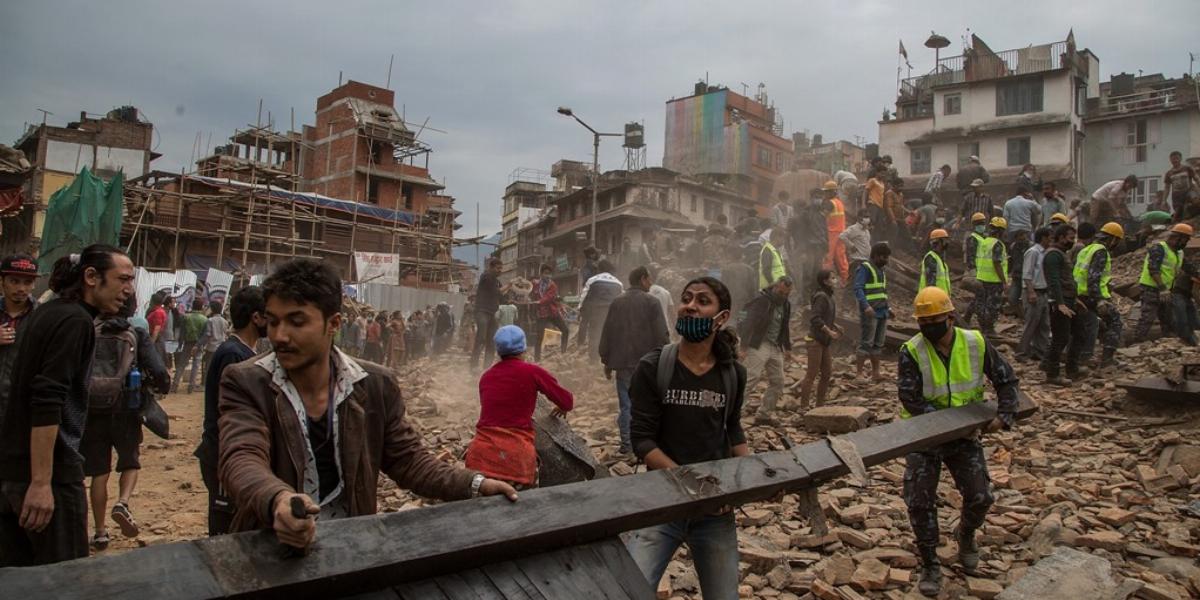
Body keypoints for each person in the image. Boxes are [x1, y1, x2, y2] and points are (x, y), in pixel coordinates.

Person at [217, 259, 518, 547]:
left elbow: (408, 460)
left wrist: (474, 485)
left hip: (352, 544)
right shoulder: (246, 382)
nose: (279, 336)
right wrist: (278, 500)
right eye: (273, 322)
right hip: (270, 544)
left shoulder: (374, 384)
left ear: (333, 323)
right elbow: (241, 457)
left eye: (296, 321)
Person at [0, 244, 134, 566]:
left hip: (14, 473)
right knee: (65, 580)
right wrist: (42, 483)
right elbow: (47, 399)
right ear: (91, 276)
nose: (128, 290)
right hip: (50, 478)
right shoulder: (74, 321)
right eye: (123, 279)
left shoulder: (48, 311)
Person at [626, 277, 748, 599]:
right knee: (628, 591)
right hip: (659, 505)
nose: (690, 305)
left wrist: (747, 479)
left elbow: (732, 427)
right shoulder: (654, 367)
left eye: (702, 301)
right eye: (686, 298)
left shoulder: (732, 373)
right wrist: (688, 483)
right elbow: (641, 439)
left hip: (714, 512)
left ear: (721, 318)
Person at [899, 287, 1018, 597]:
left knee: (981, 496)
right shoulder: (911, 350)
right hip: (923, 435)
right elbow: (910, 399)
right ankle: (929, 563)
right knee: (920, 501)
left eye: (934, 320)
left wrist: (1004, 414)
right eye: (922, 323)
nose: (927, 328)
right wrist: (946, 424)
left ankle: (965, 534)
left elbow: (1006, 378)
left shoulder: (975, 342)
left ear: (950, 318)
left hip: (964, 436)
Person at [82, 295, 170, 550]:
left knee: (99, 471)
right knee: (130, 460)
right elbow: (158, 370)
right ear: (132, 309)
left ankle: (99, 532)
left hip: (93, 409)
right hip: (127, 408)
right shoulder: (136, 332)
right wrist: (158, 388)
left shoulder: (89, 329)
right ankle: (123, 502)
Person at [194, 285, 266, 536]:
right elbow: (229, 414)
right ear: (256, 317)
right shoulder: (234, 355)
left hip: (229, 455)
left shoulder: (241, 352)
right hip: (224, 455)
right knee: (225, 530)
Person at [466, 325, 573, 488]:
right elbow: (567, 401)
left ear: (498, 351)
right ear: (523, 349)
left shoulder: (486, 377)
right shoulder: (532, 372)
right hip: (516, 459)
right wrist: (563, 407)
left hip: (479, 458)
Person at [599, 266, 670, 454]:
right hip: (648, 363)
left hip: (622, 364)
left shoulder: (617, 302)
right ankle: (649, 443)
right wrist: (665, 359)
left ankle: (627, 445)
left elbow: (608, 332)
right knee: (650, 402)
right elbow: (662, 335)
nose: (651, 282)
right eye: (649, 279)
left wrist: (606, 360)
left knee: (626, 404)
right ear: (643, 279)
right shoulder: (652, 302)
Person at [739, 275, 793, 425]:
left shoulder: (786, 304)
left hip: (775, 346)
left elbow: (785, 326)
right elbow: (748, 323)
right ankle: (734, 413)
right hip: (759, 343)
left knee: (778, 381)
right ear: (775, 287)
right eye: (781, 292)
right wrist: (743, 347)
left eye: (787, 294)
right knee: (751, 378)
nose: (783, 296)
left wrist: (787, 347)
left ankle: (764, 414)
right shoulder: (762, 301)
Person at [1073, 222, 1125, 369]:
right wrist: (1100, 300)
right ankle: (1107, 359)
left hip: (1081, 294)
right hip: (1092, 296)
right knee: (1115, 321)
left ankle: (1085, 356)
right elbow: (1093, 277)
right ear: (1113, 239)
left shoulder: (1087, 249)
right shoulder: (1101, 251)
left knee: (1092, 324)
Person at [1133, 223, 1194, 343]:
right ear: (1176, 237)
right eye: (1185, 240)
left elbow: (1189, 268)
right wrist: (1162, 288)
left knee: (1168, 317)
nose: (1185, 243)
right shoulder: (1158, 248)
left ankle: (1168, 341)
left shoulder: (1179, 253)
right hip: (1151, 288)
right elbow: (1153, 269)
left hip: (1166, 290)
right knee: (1148, 317)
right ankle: (1138, 342)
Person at [1040, 224, 1083, 384]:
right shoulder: (1053, 255)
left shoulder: (1061, 254)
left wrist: (1074, 298)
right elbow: (1054, 281)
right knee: (1061, 337)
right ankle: (1052, 374)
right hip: (1061, 302)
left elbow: (1066, 279)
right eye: (1071, 238)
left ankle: (1071, 368)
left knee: (1078, 333)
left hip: (1068, 299)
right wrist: (1060, 303)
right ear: (1061, 237)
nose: (1073, 241)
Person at [0, 254, 40, 422]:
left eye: (27, 282)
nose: (21, 288)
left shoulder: (42, 317)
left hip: (20, 407)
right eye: (14, 281)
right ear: (2, 281)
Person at [799, 270, 841, 409]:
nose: (835, 280)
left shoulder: (829, 296)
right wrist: (829, 331)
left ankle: (819, 405)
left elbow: (825, 316)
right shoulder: (821, 296)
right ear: (825, 281)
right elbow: (815, 318)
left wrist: (835, 325)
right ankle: (804, 406)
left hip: (824, 341)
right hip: (815, 341)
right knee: (811, 374)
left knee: (827, 373)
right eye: (832, 278)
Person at [854, 243, 892, 380]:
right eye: (883, 257)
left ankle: (876, 373)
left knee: (878, 344)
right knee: (866, 343)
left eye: (887, 257)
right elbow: (858, 288)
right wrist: (865, 306)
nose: (886, 260)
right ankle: (859, 374)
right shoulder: (865, 268)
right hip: (870, 312)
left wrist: (889, 308)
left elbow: (882, 291)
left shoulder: (882, 270)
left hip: (882, 312)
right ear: (875, 256)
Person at [1016, 227, 1052, 361]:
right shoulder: (1033, 252)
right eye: (1049, 237)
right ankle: (1021, 353)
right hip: (1033, 291)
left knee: (1044, 324)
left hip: (1042, 291)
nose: (1051, 240)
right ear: (1043, 238)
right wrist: (1030, 292)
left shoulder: (1044, 253)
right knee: (1031, 324)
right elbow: (1027, 274)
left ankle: (1039, 352)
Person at [470, 258, 511, 371]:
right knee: (481, 338)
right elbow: (497, 292)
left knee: (492, 341)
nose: (500, 271)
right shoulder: (486, 277)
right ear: (491, 267)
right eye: (498, 268)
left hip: (491, 313)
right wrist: (509, 286)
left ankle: (487, 368)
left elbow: (501, 297)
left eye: (501, 268)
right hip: (482, 311)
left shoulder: (496, 281)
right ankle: (473, 367)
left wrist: (509, 301)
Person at [579, 260, 623, 361]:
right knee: (611, 335)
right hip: (612, 314)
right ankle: (609, 359)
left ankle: (593, 360)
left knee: (594, 335)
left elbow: (584, 296)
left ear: (599, 269)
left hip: (596, 312)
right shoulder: (618, 283)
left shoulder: (592, 280)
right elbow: (621, 299)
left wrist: (580, 309)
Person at [975, 217, 1010, 336]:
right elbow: (996, 263)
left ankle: (983, 327)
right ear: (1001, 231)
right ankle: (989, 329)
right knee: (993, 305)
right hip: (994, 280)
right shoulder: (998, 244)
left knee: (982, 303)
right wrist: (1004, 281)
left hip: (981, 278)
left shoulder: (984, 241)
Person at [531, 264, 569, 362]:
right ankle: (537, 360)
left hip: (552, 312)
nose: (548, 276)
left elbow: (549, 297)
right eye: (546, 273)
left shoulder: (552, 285)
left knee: (565, 330)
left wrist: (540, 301)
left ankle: (563, 352)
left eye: (549, 274)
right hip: (541, 313)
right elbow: (530, 292)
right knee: (539, 336)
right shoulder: (535, 284)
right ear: (541, 273)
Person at [1171, 245, 1200, 346]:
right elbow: (1196, 292)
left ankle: (1193, 342)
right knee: (1182, 318)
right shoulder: (1196, 269)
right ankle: (1184, 341)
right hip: (1178, 293)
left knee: (1195, 321)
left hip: (1186, 295)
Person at [822, 181, 849, 283]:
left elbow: (822, 217)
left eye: (827, 192)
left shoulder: (829, 203)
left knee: (828, 257)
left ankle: (825, 279)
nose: (825, 194)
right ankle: (845, 279)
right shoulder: (839, 202)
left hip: (831, 232)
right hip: (841, 232)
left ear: (832, 192)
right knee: (841, 257)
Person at [197, 301, 228, 390]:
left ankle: (205, 385)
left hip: (211, 347)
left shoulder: (210, 321)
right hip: (221, 347)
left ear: (212, 309)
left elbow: (207, 335)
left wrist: (199, 344)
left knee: (207, 367)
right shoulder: (225, 321)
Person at [1164, 151, 1200, 221]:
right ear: (1170, 160)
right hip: (1177, 195)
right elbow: (1167, 188)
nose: (1175, 160)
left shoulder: (1187, 168)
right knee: (1178, 214)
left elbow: (1196, 179)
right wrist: (1164, 200)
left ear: (1180, 159)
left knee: (1196, 201)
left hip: (1189, 191)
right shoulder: (1169, 173)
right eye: (1173, 159)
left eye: (1177, 158)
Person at [919, 229, 952, 300]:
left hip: (940, 299)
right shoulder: (931, 258)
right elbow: (931, 284)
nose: (946, 243)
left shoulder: (939, 259)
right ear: (937, 242)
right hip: (933, 300)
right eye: (944, 240)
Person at [760, 226, 789, 291]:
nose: (784, 241)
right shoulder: (767, 250)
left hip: (776, 287)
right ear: (776, 237)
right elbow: (766, 270)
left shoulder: (775, 250)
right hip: (770, 288)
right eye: (783, 238)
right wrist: (773, 283)